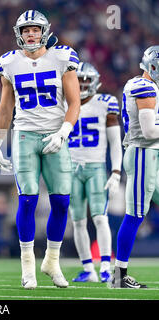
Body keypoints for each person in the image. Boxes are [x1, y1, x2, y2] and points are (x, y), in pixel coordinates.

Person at [0, 10, 81, 289]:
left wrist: (64, 132)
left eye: (35, 30)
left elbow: (75, 102)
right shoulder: (10, 63)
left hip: (56, 135)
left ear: (44, 31)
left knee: (62, 201)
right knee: (27, 200)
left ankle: (52, 261)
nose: (31, 34)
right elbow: (6, 107)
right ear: (19, 33)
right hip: (25, 136)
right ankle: (27, 266)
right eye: (26, 30)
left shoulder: (62, 58)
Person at [68, 62, 122, 283]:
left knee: (101, 218)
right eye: (78, 79)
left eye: (85, 80)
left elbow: (115, 141)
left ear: (94, 82)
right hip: (70, 169)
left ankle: (106, 267)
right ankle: (88, 269)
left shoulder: (105, 103)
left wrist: (116, 171)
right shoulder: (65, 103)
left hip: (96, 167)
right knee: (78, 221)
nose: (81, 84)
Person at [110, 46, 159, 289]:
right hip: (142, 152)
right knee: (135, 215)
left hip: (151, 154)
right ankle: (119, 275)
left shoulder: (148, 86)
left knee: (136, 214)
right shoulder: (145, 87)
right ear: (152, 67)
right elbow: (150, 132)